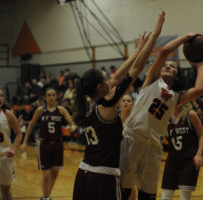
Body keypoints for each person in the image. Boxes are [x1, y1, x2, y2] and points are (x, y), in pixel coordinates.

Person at [72, 12, 165, 200]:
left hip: (83, 173)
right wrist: (154, 36)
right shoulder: (107, 105)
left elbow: (115, 78)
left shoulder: (89, 106)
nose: (110, 79)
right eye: (105, 79)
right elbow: (136, 70)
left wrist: (136, 52)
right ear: (99, 86)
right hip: (103, 177)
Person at [120, 33, 203, 199]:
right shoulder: (152, 80)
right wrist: (185, 38)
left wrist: (200, 65)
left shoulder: (177, 98)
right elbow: (163, 52)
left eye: (173, 66)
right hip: (133, 138)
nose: (168, 67)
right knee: (123, 191)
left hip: (154, 146)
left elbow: (198, 89)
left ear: (177, 74)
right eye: (165, 66)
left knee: (148, 194)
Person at [21, 88, 77, 200]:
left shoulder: (61, 110)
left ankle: (46, 196)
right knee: (46, 175)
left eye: (53, 95)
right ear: (45, 98)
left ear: (56, 97)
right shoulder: (40, 110)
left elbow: (72, 122)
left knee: (55, 174)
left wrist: (73, 127)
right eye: (49, 95)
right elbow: (31, 125)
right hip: (44, 144)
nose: (51, 97)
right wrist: (25, 141)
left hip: (57, 144)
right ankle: (46, 197)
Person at [161, 103, 203, 200]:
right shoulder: (165, 117)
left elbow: (202, 135)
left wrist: (198, 155)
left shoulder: (190, 115)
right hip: (172, 159)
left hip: (189, 160)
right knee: (165, 195)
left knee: (184, 197)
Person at [0, 86, 22, 200]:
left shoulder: (7, 114)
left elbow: (19, 134)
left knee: (6, 193)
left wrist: (13, 149)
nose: (0, 98)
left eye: (1, 95)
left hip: (5, 157)